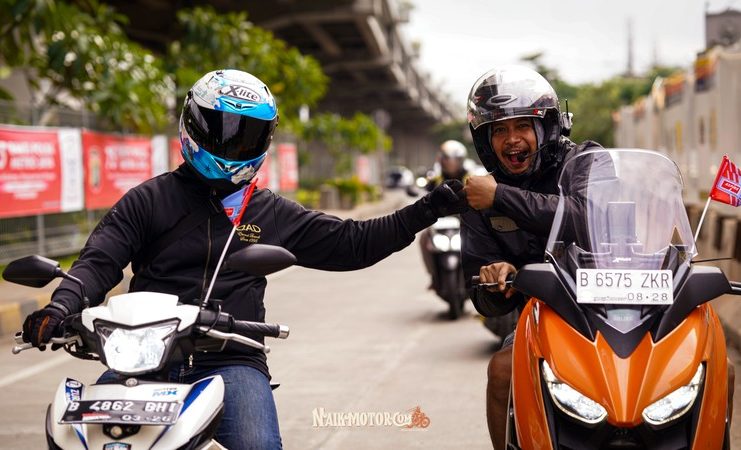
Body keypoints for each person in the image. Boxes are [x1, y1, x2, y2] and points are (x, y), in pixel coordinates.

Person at [21, 69, 468, 450]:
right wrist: (61, 307)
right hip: (141, 360)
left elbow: (354, 244)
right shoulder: (148, 200)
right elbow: (98, 260)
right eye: (223, 129)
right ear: (194, 124)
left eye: (246, 134)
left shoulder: (270, 212)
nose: (233, 143)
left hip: (229, 359)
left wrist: (426, 209)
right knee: (83, 439)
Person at [460, 65, 601, 449]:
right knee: (501, 372)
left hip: (611, 310)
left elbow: (587, 218)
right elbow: (483, 300)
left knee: (718, 370)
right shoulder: (479, 197)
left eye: (522, 125)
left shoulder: (586, 161)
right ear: (485, 140)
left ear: (547, 128)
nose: (512, 139)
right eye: (499, 130)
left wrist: (502, 197)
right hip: (541, 320)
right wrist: (496, 279)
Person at [419, 140, 471, 295]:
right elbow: (422, 193)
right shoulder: (435, 179)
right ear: (441, 160)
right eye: (447, 159)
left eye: (455, 159)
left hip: (465, 222)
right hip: (440, 223)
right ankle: (433, 275)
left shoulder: (470, 178)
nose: (451, 163)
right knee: (423, 238)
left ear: (461, 160)